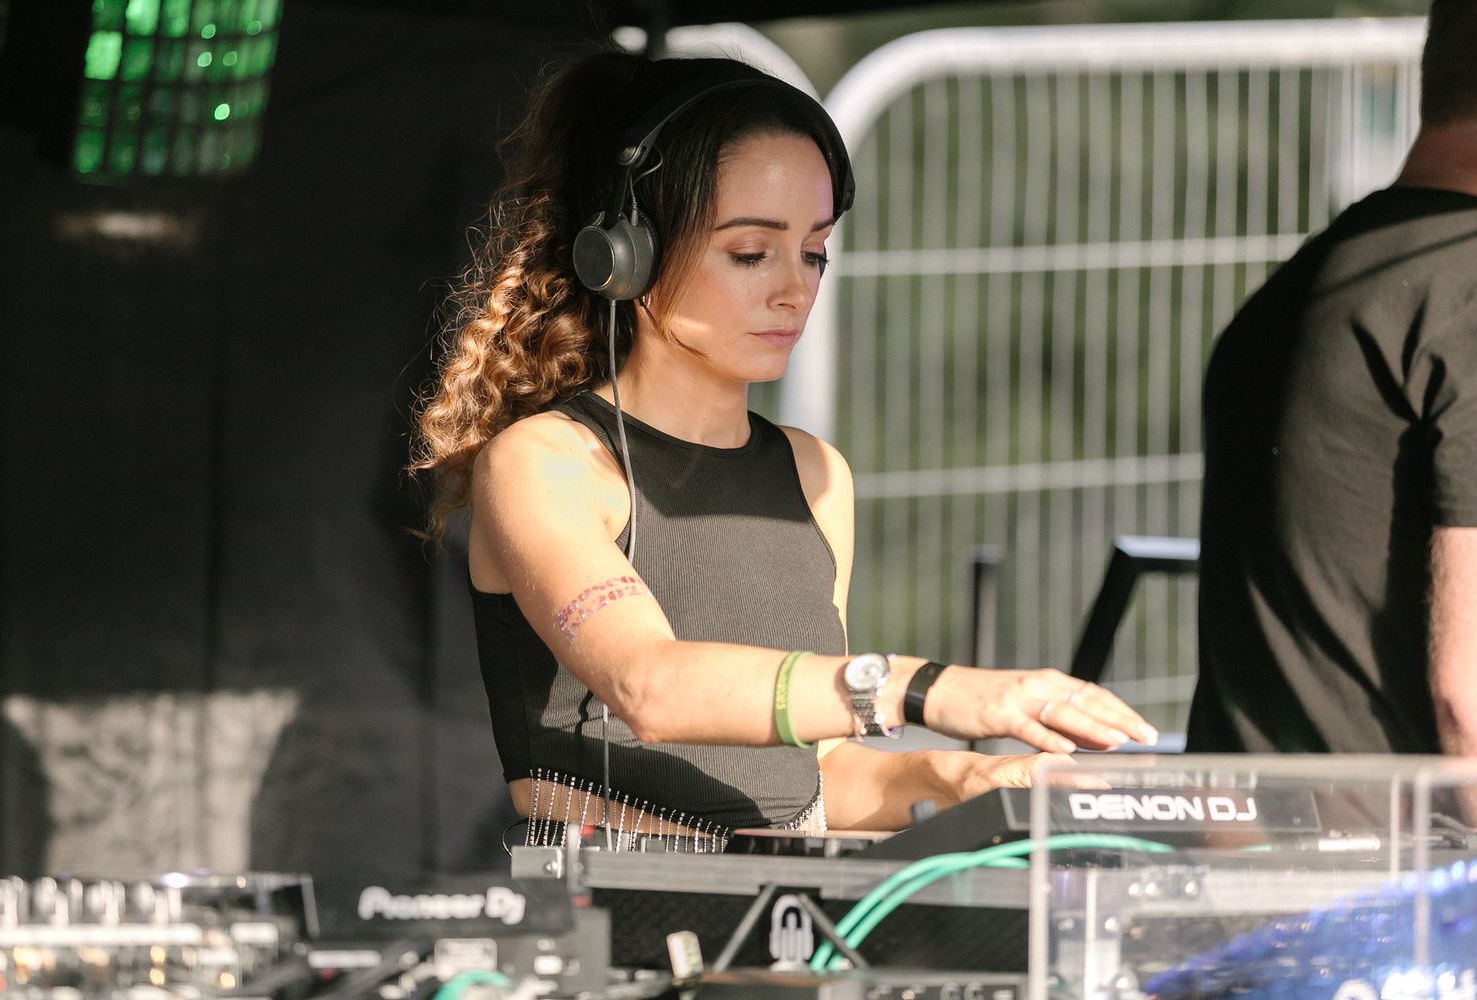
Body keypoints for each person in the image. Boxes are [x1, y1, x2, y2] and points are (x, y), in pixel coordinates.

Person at [412, 49, 1157, 852]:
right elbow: (648, 685)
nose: (793, 290)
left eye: (814, 252)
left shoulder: (817, 473)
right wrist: (921, 688)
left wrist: (968, 780)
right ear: (626, 255)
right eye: (750, 252)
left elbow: (819, 775)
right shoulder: (547, 462)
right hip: (605, 900)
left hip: (786, 896)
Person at [1189, 0, 1477, 755]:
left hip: (1247, 816)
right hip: (1399, 829)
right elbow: (1470, 703)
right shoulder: (1463, 294)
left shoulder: (1295, 291)